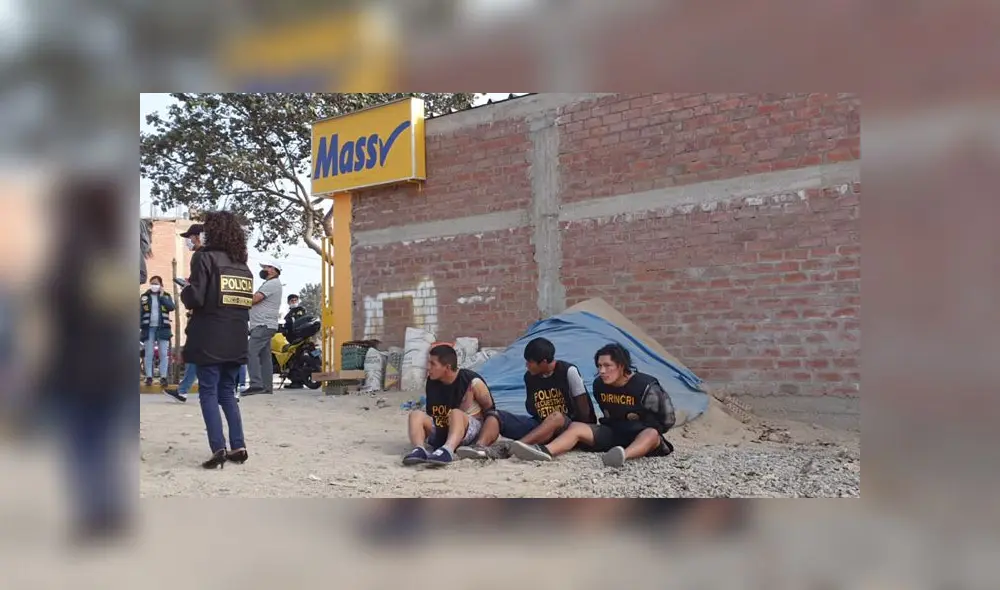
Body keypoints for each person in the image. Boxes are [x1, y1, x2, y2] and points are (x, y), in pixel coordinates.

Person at [509, 343, 676, 468]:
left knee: (651, 433)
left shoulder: (646, 387)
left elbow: (668, 419)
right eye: (599, 366)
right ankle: (544, 451)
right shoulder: (599, 385)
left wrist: (645, 427)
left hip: (641, 435)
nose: (602, 371)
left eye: (607, 366)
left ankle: (622, 456)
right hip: (613, 432)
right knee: (576, 427)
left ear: (621, 365)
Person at [180, 210, 254, 469]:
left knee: (208, 391)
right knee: (227, 393)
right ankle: (239, 445)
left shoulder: (204, 257)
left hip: (210, 334)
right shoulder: (243, 266)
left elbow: (196, 298)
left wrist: (186, 290)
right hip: (236, 336)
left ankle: (218, 448)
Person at [456, 337, 596, 460]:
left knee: (557, 417)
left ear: (544, 362)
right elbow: (531, 408)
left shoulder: (568, 372)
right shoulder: (530, 377)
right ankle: (479, 448)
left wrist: (577, 435)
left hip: (567, 427)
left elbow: (583, 408)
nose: (526, 366)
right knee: (496, 415)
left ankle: (513, 448)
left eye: (530, 362)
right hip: (541, 425)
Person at [402, 344, 496, 467]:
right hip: (442, 427)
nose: (428, 367)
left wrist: (482, 441)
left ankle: (447, 450)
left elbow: (491, 412)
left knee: (455, 413)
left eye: (433, 364)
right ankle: (419, 450)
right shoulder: (432, 381)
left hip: (467, 433)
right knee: (415, 415)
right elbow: (431, 413)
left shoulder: (471, 381)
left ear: (447, 367)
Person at [164, 223, 205, 403]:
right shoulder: (219, 256)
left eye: (190, 237)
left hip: (203, 315)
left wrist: (187, 289)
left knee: (195, 352)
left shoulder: (200, 256)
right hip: (213, 315)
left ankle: (185, 389)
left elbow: (198, 290)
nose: (188, 241)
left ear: (197, 237)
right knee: (197, 354)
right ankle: (183, 389)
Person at [242, 260, 282, 396]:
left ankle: (255, 384)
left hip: (263, 325)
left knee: (249, 352)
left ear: (274, 270)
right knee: (265, 357)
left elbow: (255, 299)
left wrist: (238, 298)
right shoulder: (269, 284)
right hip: (264, 325)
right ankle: (266, 387)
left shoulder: (272, 283)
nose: (264, 269)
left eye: (267, 267)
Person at [140, 275, 175, 387]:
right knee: (148, 353)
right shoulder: (144, 297)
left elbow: (171, 307)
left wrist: (161, 296)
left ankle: (163, 377)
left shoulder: (166, 296)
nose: (153, 285)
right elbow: (139, 312)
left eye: (156, 283)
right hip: (148, 328)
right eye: (152, 283)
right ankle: (149, 377)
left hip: (163, 328)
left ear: (161, 285)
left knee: (163, 354)